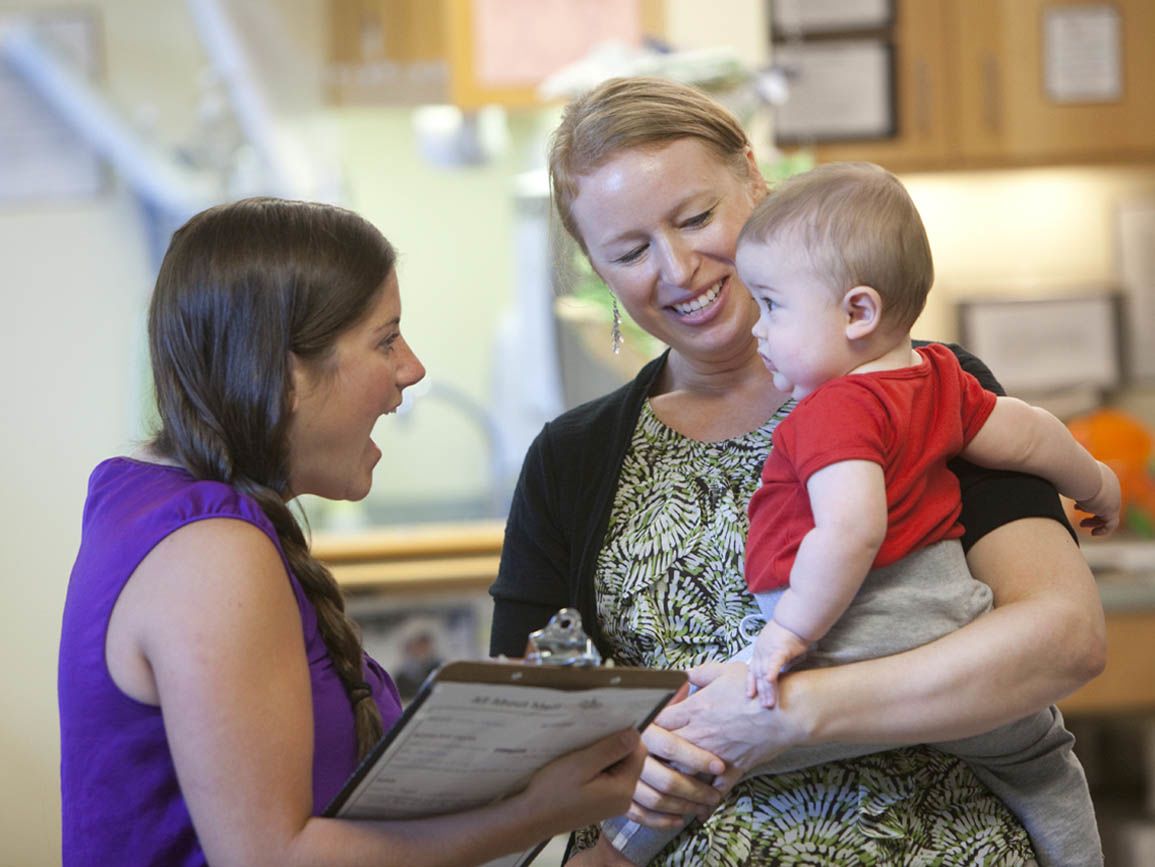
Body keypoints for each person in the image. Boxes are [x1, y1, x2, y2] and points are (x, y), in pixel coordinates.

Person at [489, 76, 1107, 866]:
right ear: (594, 269)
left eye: (695, 217)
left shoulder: (920, 388)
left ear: (754, 177)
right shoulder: (569, 459)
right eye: (630, 250)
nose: (677, 269)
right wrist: (619, 768)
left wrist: (781, 711)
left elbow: (1063, 639)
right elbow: (520, 734)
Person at [57, 197, 646, 867]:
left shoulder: (154, 506)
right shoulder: (209, 551)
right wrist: (538, 812)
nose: (411, 368)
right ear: (285, 374)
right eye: (385, 339)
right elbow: (271, 858)